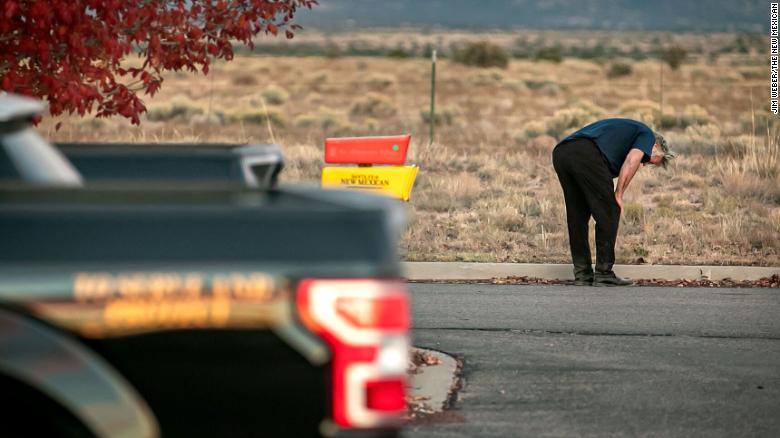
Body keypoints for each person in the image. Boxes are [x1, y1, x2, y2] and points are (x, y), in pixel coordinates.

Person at [552, 118, 676, 286]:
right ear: (655, 147)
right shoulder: (647, 135)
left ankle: (583, 274)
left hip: (562, 153)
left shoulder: (626, 136)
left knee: (578, 216)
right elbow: (632, 160)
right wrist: (618, 194)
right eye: (648, 160)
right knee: (610, 210)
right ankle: (604, 274)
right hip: (585, 153)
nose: (645, 164)